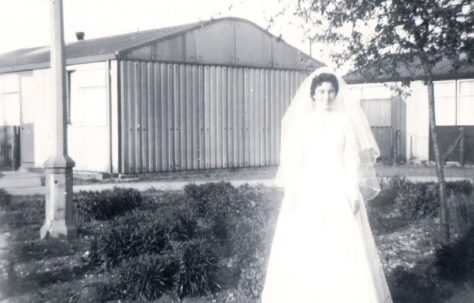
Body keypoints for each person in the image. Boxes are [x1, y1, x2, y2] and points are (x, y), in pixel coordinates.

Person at [261, 67, 393, 303]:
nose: (326, 97)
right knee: (307, 245)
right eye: (321, 92)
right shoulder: (302, 123)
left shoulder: (344, 122)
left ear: (336, 94)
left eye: (331, 92)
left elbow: (351, 158)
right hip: (308, 187)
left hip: (337, 187)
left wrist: (353, 191)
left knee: (340, 246)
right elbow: (294, 161)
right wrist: (292, 191)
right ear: (313, 94)